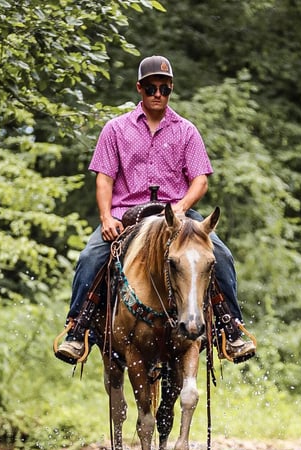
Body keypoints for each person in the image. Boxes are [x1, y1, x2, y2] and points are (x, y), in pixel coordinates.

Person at [55, 55, 255, 364]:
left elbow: (200, 180)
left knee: (221, 255)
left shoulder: (187, 130)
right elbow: (104, 179)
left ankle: (232, 329)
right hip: (126, 214)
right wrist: (106, 217)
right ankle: (77, 330)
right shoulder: (115, 129)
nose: (158, 94)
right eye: (151, 88)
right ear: (140, 88)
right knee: (90, 257)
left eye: (164, 88)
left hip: (179, 215)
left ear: (171, 88)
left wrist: (180, 209)